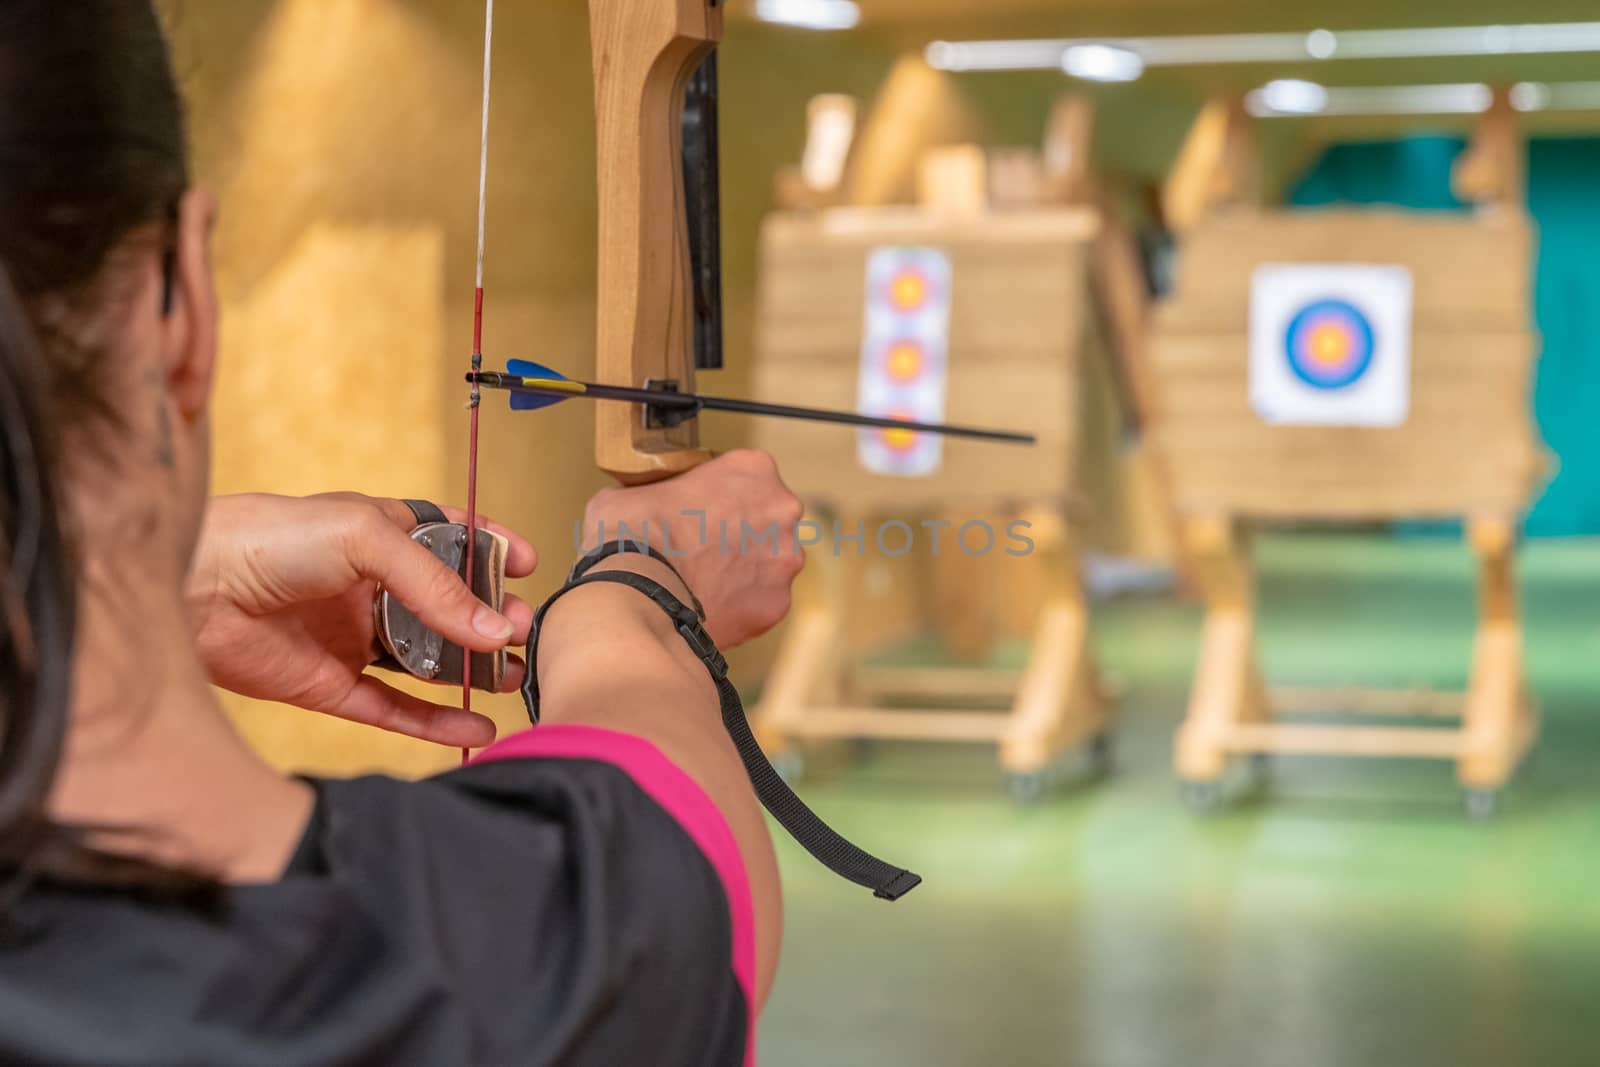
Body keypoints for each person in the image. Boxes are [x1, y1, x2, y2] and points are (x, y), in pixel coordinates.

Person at [0, 3, 802, 1063]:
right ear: (183, 302)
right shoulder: (521, 967)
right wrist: (640, 591)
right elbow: (668, 837)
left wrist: (159, 582)